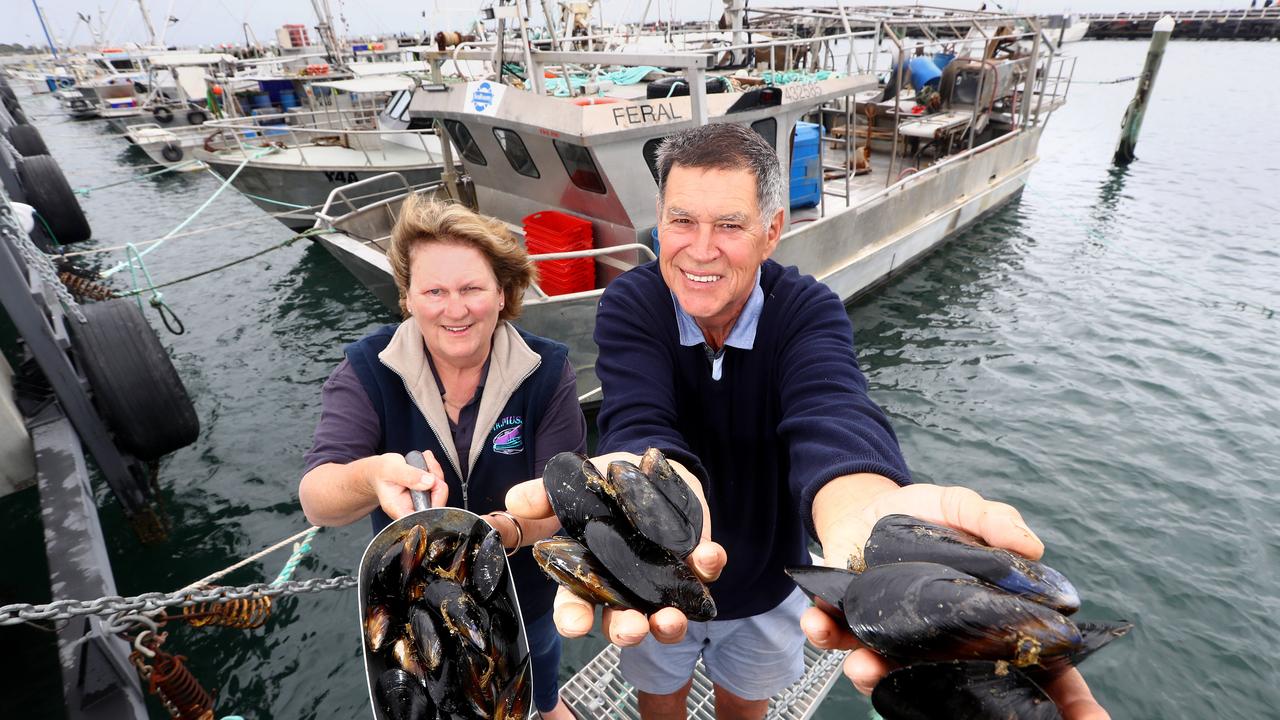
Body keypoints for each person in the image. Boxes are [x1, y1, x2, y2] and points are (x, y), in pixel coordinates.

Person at [504, 123, 1109, 719]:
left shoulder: (806, 308)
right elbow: (638, 414)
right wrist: (648, 482)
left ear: (772, 231)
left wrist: (863, 512)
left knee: (745, 709)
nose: (701, 247)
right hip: (659, 584)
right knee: (659, 705)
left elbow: (831, 413)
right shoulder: (633, 301)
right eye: (682, 220)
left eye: (730, 225)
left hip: (770, 589)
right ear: (659, 223)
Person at [298, 197, 585, 720]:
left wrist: (506, 531)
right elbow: (318, 499)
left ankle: (548, 704)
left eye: (472, 288)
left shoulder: (548, 372)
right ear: (408, 297)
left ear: (503, 293)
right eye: (434, 291)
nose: (455, 309)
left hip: (524, 598)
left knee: (538, 674)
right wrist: (369, 476)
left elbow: (566, 501)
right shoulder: (368, 371)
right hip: (413, 607)